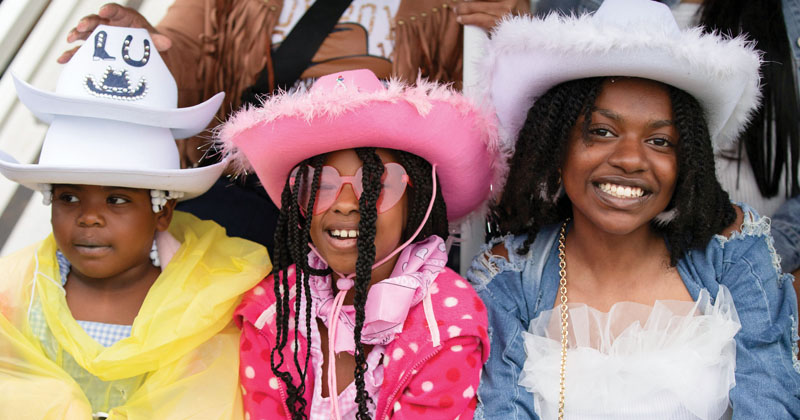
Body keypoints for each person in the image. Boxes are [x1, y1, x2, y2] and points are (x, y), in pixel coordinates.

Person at [468, 0, 800, 419]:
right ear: (556, 147)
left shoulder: (732, 256)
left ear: (686, 161)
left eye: (660, 141)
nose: (630, 159)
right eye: (601, 132)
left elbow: (770, 403)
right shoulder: (508, 281)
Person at [56, 0, 530, 254]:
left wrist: (517, 41)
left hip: (385, 202)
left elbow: (496, 129)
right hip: (253, 190)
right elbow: (181, 53)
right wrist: (145, 54)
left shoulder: (457, 6)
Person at [0, 26, 269, 419]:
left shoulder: (205, 301)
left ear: (162, 211)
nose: (89, 217)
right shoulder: (16, 293)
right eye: (69, 197)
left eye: (117, 200)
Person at [218, 69, 499, 419]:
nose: (346, 203)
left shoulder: (446, 320)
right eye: (320, 185)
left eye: (375, 184)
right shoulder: (271, 310)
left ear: (419, 198)